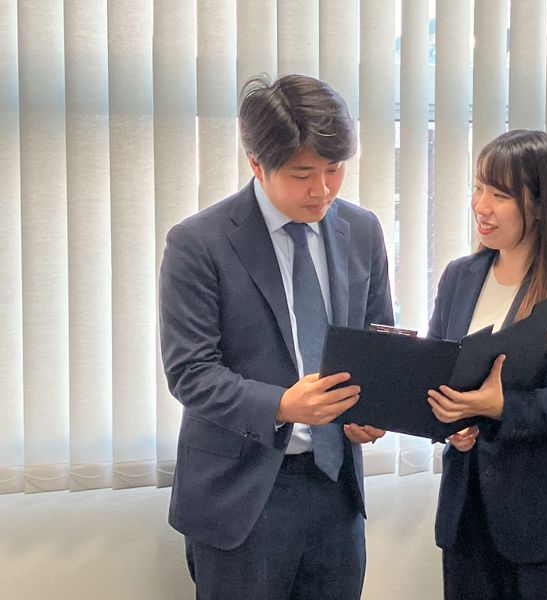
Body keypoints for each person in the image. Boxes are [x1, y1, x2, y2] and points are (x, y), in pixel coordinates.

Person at [158, 73, 393, 600]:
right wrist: (284, 405)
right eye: (302, 173)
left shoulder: (361, 230)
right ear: (256, 164)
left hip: (335, 489)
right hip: (240, 495)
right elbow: (190, 372)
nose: (322, 190)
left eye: (334, 169)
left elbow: (377, 343)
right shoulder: (199, 242)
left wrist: (374, 409)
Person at [427, 130, 547, 599]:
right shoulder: (460, 276)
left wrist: (497, 408)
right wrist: (450, 424)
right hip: (470, 518)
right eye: (478, 188)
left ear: (539, 204)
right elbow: (435, 374)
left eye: (499, 195)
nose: (481, 206)